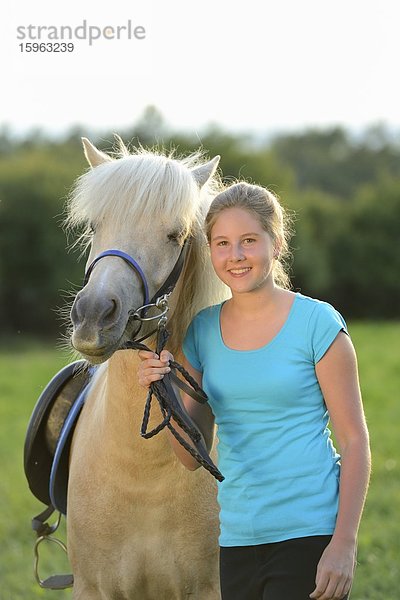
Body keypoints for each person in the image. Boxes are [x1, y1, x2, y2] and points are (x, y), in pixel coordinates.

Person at [137, 182, 371, 600]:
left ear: (276, 243)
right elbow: (192, 459)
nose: (236, 255)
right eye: (222, 243)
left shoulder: (318, 324)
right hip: (238, 537)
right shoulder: (202, 332)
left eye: (249, 241)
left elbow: (355, 441)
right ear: (210, 253)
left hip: (310, 532)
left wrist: (344, 543)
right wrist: (164, 393)